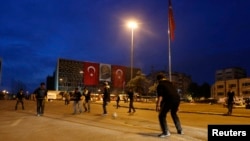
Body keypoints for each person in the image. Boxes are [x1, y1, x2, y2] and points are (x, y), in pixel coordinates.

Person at [156, 73, 183, 137]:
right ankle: (180, 130)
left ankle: (166, 132)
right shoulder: (171, 84)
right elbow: (175, 93)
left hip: (169, 99)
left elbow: (160, 96)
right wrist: (178, 105)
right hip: (177, 99)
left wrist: (158, 105)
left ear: (158, 80)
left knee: (161, 115)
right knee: (174, 113)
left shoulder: (160, 85)